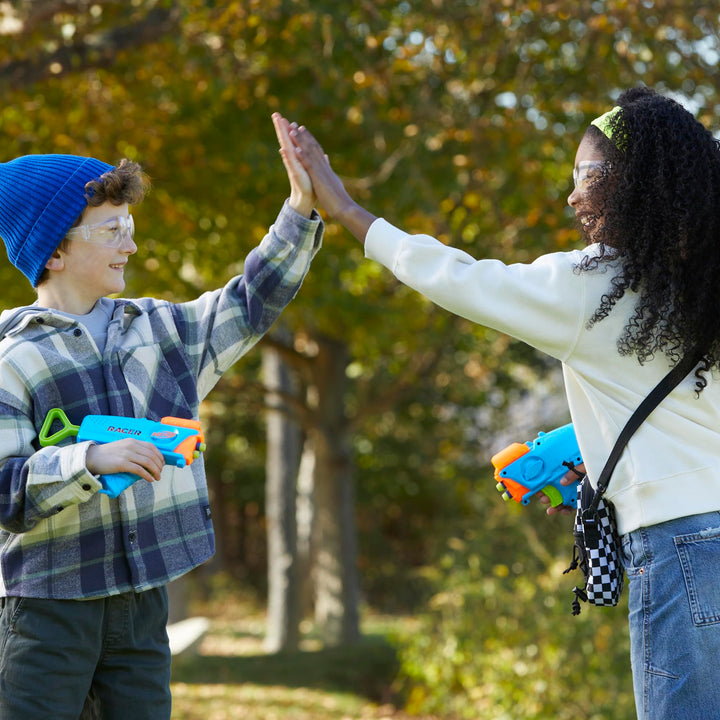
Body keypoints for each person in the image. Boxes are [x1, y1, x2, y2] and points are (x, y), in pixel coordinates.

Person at [283, 87, 720, 720]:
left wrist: (346, 208)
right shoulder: (703, 289)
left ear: (630, 183)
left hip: (679, 549)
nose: (571, 195)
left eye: (584, 175)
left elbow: (460, 278)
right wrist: (596, 459)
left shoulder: (594, 288)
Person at [0, 113, 322, 719]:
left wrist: (299, 210)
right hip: (46, 613)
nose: (132, 243)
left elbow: (250, 300)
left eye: (130, 226)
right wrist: (87, 459)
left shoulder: (161, 331)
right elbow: (2, 492)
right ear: (57, 250)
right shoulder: (15, 359)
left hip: (143, 603)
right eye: (112, 230)